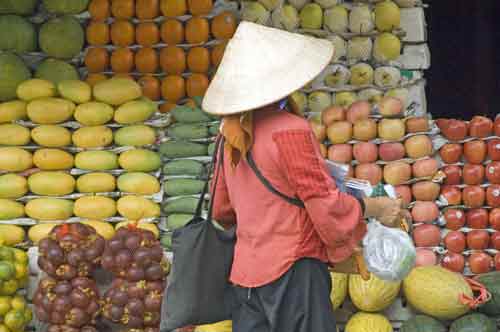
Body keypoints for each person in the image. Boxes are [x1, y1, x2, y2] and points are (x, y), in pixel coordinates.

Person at [202, 22, 403, 332]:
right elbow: (324, 206)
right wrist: (372, 208)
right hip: (292, 273)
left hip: (245, 277)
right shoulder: (289, 130)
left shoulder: (229, 134)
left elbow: (221, 211)